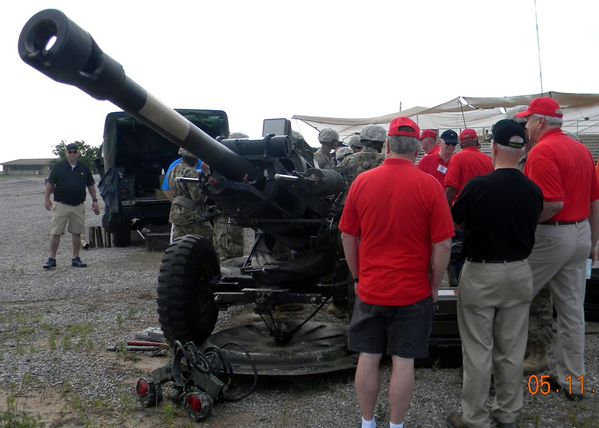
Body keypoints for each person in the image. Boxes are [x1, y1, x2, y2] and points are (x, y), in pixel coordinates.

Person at [339, 116, 453, 428]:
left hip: (372, 288)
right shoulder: (430, 186)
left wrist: (358, 277)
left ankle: (367, 422)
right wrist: (433, 284)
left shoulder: (362, 182)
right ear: (418, 150)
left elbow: (348, 235)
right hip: (413, 291)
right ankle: (397, 425)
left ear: (388, 145)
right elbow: (443, 244)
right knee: (404, 361)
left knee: (369, 355)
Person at [446, 119, 543, 428]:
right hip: (518, 272)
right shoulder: (533, 190)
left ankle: (474, 418)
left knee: (477, 350)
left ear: (494, 147)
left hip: (482, 272)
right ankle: (507, 413)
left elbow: (456, 221)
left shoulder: (479, 186)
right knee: (512, 350)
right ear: (524, 148)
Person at [517, 97, 599, 400]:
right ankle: (573, 381)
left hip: (551, 235)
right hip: (579, 233)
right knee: (572, 312)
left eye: (527, 120)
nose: (525, 126)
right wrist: (593, 242)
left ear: (540, 122)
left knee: (512, 299)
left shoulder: (541, 151)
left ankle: (498, 374)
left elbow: (551, 204)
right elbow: (594, 200)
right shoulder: (581, 150)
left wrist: (521, 226)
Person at [43, 143, 99, 269]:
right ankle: (51, 259)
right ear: (66, 153)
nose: (72, 154)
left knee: (76, 232)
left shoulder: (84, 168)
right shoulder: (58, 167)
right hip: (61, 204)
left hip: (78, 206)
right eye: (70, 151)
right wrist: (46, 199)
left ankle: (76, 258)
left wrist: (95, 200)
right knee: (56, 232)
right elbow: (50, 184)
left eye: (75, 151)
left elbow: (90, 185)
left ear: (78, 153)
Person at [212, 132, 247, 260]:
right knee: (226, 252)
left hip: (234, 215)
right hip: (226, 215)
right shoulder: (223, 166)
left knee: (234, 251)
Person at [167, 147, 214, 242]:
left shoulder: (173, 170)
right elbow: (198, 198)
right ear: (193, 158)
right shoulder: (190, 172)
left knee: (181, 245)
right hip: (191, 216)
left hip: (176, 214)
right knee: (208, 240)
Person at [444, 128, 493, 205]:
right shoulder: (489, 160)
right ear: (476, 141)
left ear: (461, 144)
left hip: (465, 208)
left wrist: (445, 210)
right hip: (486, 207)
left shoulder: (457, 158)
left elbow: (451, 187)